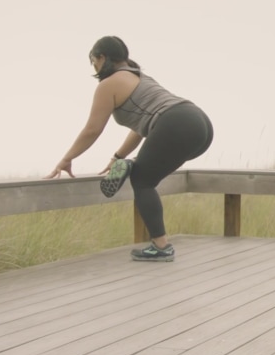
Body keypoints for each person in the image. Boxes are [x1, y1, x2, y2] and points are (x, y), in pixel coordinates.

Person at [45, 36, 214, 262]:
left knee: (142, 181)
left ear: (102, 57)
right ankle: (130, 165)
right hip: (199, 124)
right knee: (146, 172)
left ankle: (161, 246)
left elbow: (92, 130)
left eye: (93, 61)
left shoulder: (109, 84)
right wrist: (118, 156)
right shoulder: (140, 76)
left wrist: (66, 159)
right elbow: (141, 129)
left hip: (176, 124)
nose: (94, 67)